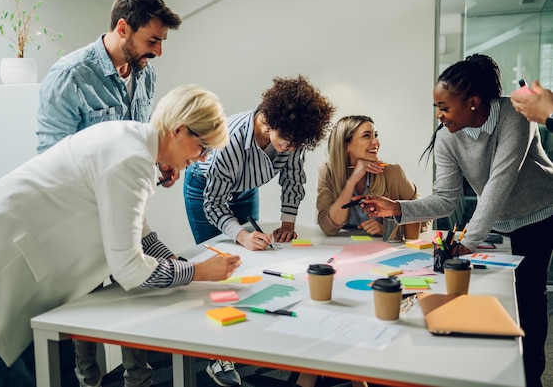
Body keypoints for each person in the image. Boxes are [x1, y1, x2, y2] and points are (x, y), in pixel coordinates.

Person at [0, 85, 237, 387]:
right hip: (0, 265)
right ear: (179, 130)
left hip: (23, 260)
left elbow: (135, 225)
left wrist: (172, 259)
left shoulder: (132, 141)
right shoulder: (131, 160)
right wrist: (196, 271)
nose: (201, 159)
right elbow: (129, 269)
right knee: (17, 378)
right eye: (203, 148)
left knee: (58, 371)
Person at [359, 54, 553, 387]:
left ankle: (530, 376)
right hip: (496, 224)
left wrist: (465, 242)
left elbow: (498, 184)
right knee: (490, 298)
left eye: (444, 107)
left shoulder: (515, 116)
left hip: (539, 217)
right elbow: (446, 199)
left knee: (528, 297)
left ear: (474, 103)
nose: (439, 115)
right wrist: (398, 209)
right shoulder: (448, 135)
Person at [36, 0, 182, 387]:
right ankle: (91, 382)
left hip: (126, 208)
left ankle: (140, 380)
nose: (158, 51)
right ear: (122, 29)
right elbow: (51, 164)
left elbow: (140, 144)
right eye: (152, 40)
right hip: (81, 219)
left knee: (137, 296)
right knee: (90, 314)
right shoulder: (69, 77)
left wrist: (161, 167)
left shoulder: (145, 77)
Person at [183, 75, 335, 387]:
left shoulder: (293, 137)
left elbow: (293, 179)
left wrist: (288, 224)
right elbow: (214, 204)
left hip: (244, 188)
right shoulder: (229, 142)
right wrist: (240, 234)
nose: (291, 147)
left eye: (297, 142)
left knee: (252, 259)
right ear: (267, 120)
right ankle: (217, 356)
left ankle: (247, 338)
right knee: (219, 263)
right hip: (205, 192)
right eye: (287, 139)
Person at [316, 115, 427, 237]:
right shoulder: (327, 172)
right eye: (366, 136)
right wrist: (351, 182)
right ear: (346, 145)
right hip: (341, 250)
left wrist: (387, 230)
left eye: (376, 135)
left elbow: (423, 217)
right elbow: (328, 227)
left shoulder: (393, 173)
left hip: (384, 250)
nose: (376, 142)